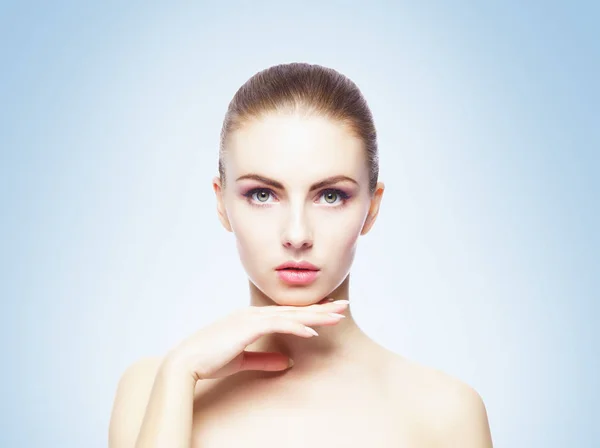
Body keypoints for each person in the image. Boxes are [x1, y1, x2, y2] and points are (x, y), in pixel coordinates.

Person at [108, 62, 494, 447]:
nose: (297, 235)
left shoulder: (446, 413)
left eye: (330, 196)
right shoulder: (155, 387)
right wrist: (181, 372)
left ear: (371, 208)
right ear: (221, 203)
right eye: (262, 194)